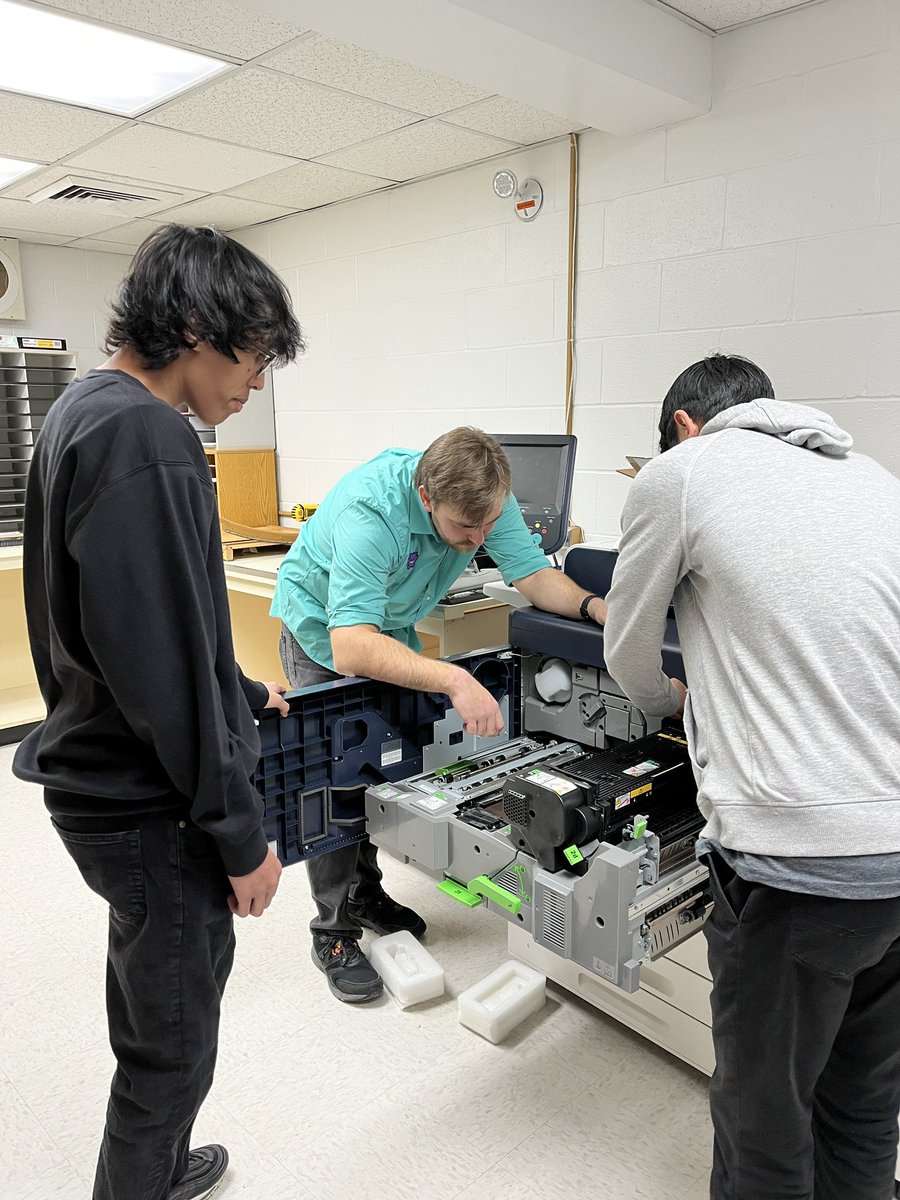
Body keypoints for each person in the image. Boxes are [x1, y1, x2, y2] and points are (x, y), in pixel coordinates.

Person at [12, 224, 304, 1200]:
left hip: (101, 784)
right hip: (153, 807)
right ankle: (146, 1172)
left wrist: (239, 688)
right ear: (193, 323)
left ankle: (164, 1160)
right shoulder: (153, 438)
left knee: (152, 991)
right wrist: (239, 837)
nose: (255, 385)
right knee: (169, 1050)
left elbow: (144, 624)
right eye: (253, 357)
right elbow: (166, 671)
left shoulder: (81, 413)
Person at [602, 354, 900, 1200]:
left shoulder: (682, 472)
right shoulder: (872, 475)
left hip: (796, 866)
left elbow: (628, 656)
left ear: (684, 428)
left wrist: (674, 699)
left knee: (764, 1121)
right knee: (865, 1101)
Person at [271, 427, 608, 1002]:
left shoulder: (481, 499)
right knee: (334, 790)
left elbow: (531, 574)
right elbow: (351, 643)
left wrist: (595, 606)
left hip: (389, 631)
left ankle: (365, 892)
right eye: (464, 529)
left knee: (381, 773)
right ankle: (332, 931)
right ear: (426, 497)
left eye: (487, 526)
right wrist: (455, 679)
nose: (477, 540)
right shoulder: (370, 515)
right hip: (323, 639)